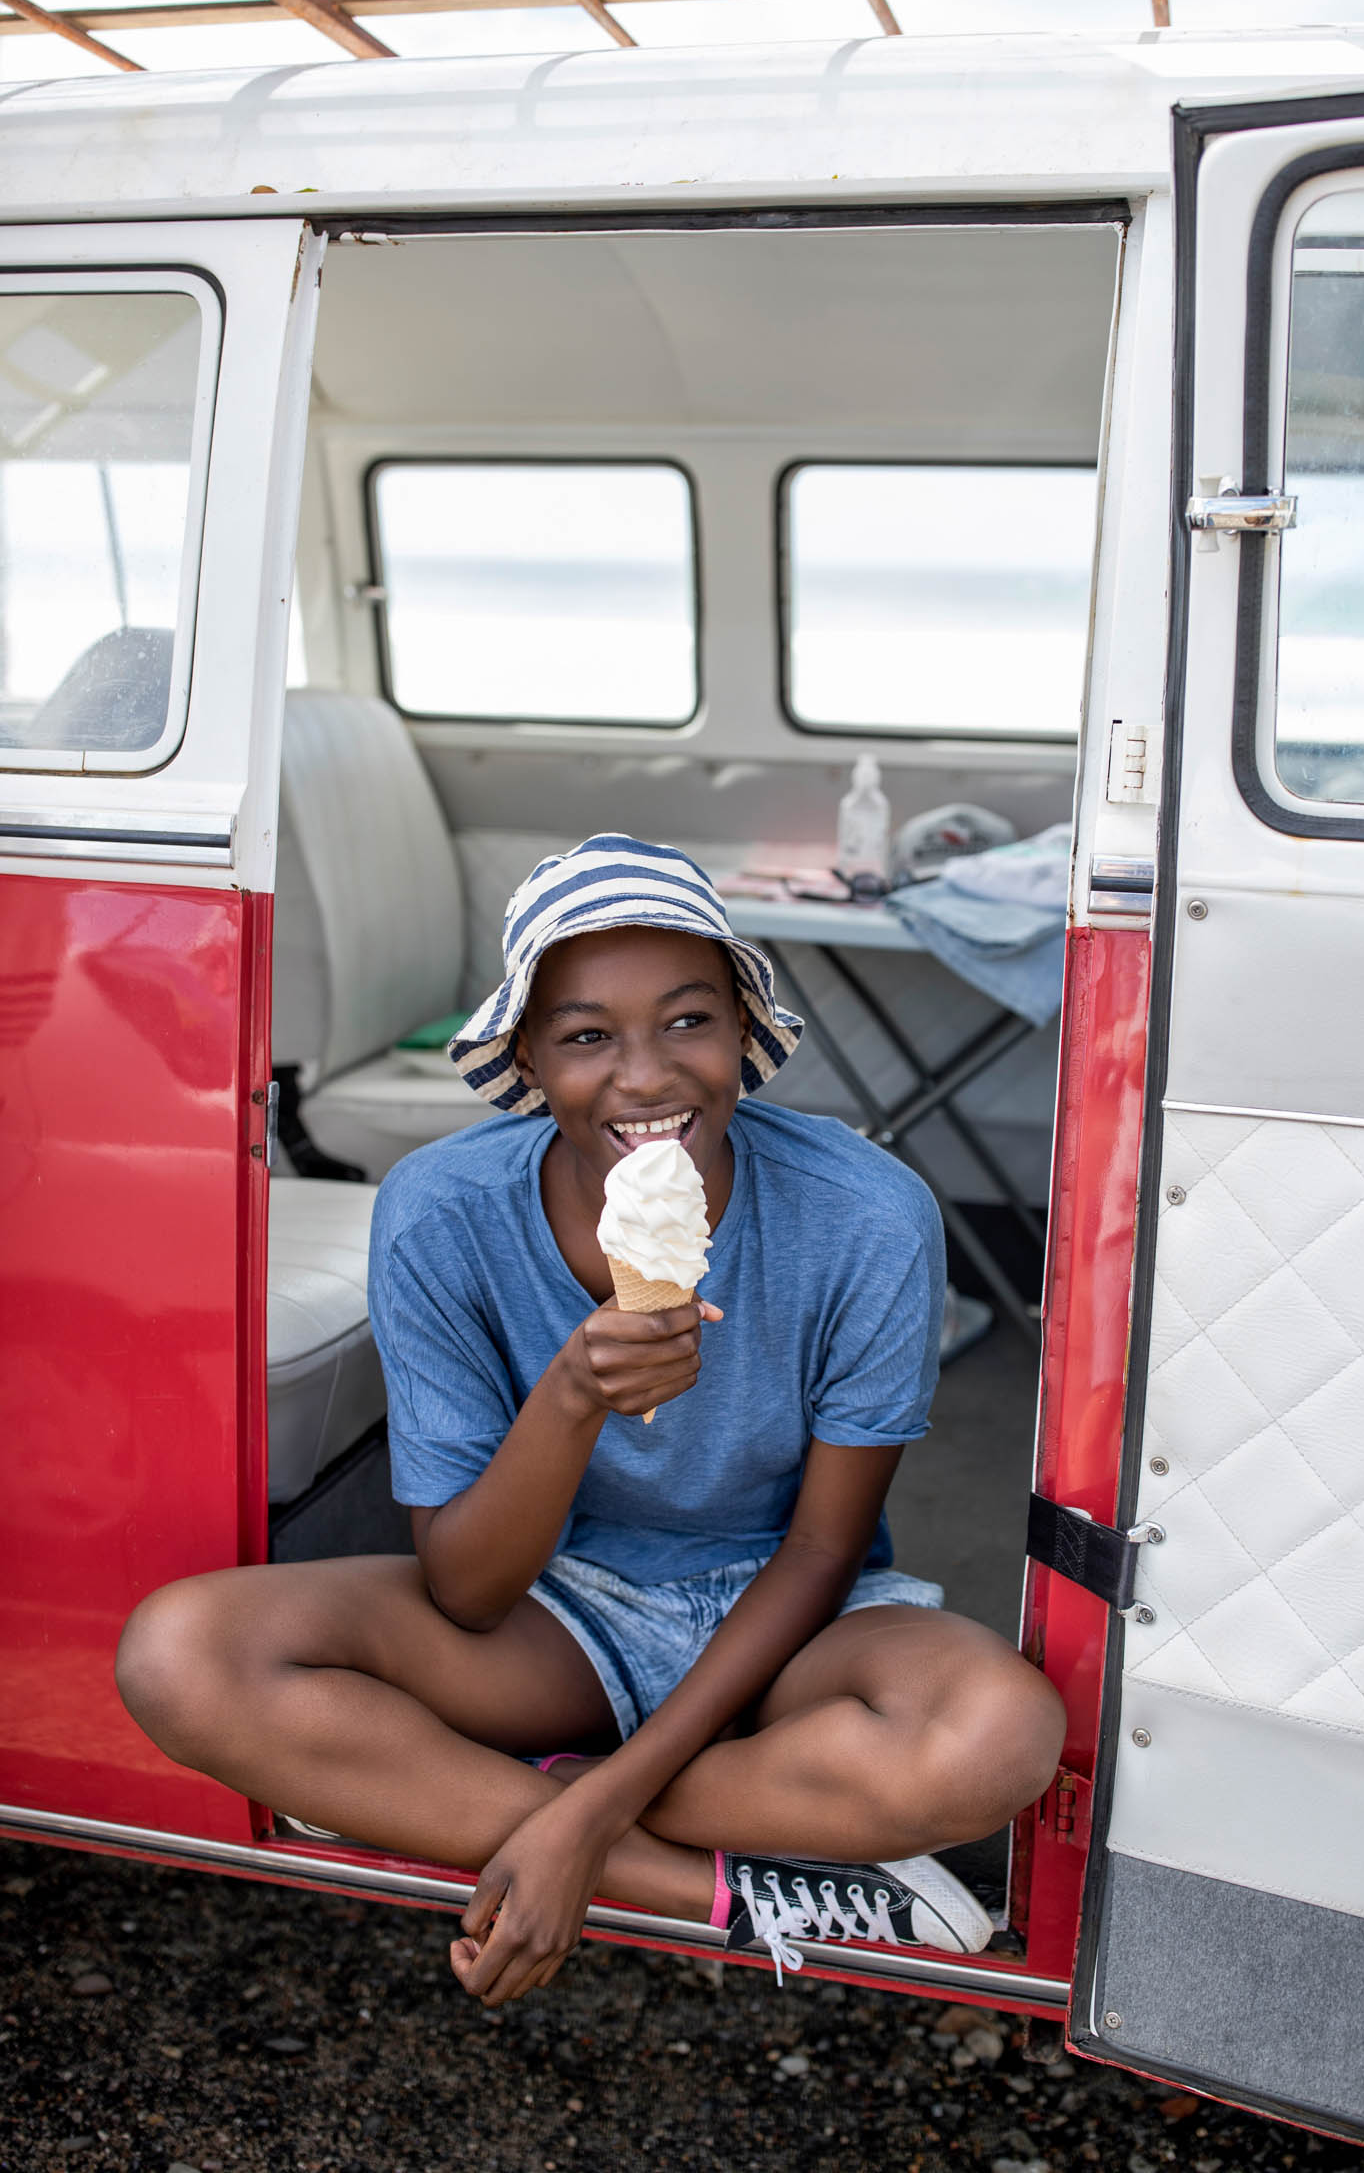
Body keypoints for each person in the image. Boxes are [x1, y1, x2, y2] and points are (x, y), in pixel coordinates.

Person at [116, 834, 1064, 2007]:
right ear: (528, 1058)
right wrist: (571, 1394)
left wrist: (597, 1799)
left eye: (688, 1020)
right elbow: (465, 1590)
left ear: (741, 1030)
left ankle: (498, 1799)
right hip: (554, 1616)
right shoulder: (440, 1212)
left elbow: (823, 1549)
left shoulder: (869, 1215)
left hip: (791, 1619)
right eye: (585, 1036)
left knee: (998, 1735)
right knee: (181, 1654)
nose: (649, 1076)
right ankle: (701, 1887)